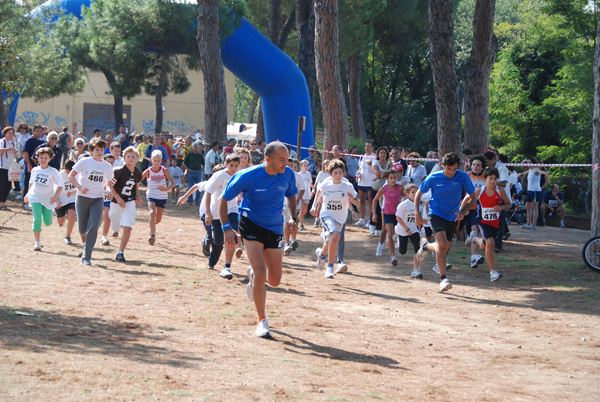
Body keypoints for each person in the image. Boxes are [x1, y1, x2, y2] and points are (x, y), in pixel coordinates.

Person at [218, 141, 298, 338]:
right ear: (268, 159)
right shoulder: (248, 175)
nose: (286, 163)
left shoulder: (287, 174)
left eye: (287, 159)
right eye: (282, 159)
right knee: (262, 272)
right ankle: (262, 320)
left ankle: (253, 276)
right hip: (251, 223)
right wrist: (227, 227)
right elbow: (223, 199)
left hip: (274, 227)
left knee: (275, 280)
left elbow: (291, 196)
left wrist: (293, 217)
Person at [415, 152, 476, 292]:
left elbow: (473, 198)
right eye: (449, 169)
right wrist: (418, 214)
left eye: (454, 169)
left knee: (444, 247)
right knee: (442, 245)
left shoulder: (462, 177)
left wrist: (463, 211)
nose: (451, 172)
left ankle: (425, 246)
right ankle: (443, 279)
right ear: (443, 166)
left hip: (453, 216)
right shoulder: (433, 177)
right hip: (436, 213)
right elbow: (419, 194)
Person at [460, 167, 512, 282]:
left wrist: (500, 207)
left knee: (487, 246)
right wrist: (462, 209)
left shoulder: (500, 191)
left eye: (495, 179)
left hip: (494, 222)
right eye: (490, 178)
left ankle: (474, 238)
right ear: (485, 179)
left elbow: (509, 205)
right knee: (490, 242)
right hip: (481, 221)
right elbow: (467, 197)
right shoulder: (480, 191)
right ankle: (492, 272)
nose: (492, 181)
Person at [69, 137, 114, 265]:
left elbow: (109, 182)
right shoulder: (84, 162)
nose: (100, 152)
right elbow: (71, 176)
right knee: (82, 228)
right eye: (97, 150)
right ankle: (84, 245)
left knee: (94, 225)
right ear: (91, 150)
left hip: (97, 199)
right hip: (82, 198)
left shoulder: (107, 166)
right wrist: (80, 187)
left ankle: (86, 257)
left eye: (102, 150)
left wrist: (109, 190)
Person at [311, 159, 358, 278]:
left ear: (344, 173)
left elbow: (357, 202)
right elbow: (318, 193)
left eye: (340, 173)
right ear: (331, 173)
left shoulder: (347, 185)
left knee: (331, 240)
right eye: (335, 173)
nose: (338, 175)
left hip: (340, 218)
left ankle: (321, 255)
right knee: (336, 235)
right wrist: (314, 206)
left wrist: (353, 200)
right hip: (326, 214)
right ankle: (330, 267)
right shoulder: (326, 183)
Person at [204, 153, 240, 277]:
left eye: (236, 166)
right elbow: (208, 193)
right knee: (218, 241)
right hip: (216, 211)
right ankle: (212, 259)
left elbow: (241, 192)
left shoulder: (239, 176)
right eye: (231, 165)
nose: (234, 168)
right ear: (226, 164)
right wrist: (208, 212)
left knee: (232, 239)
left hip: (232, 210)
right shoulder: (219, 175)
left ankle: (227, 267)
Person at [107, 146, 144, 262]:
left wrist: (137, 196)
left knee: (128, 227)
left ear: (137, 158)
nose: (131, 158)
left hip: (129, 201)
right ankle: (115, 230)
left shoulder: (138, 173)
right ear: (124, 158)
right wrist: (118, 198)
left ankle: (120, 252)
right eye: (128, 156)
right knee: (115, 226)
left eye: (133, 156)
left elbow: (136, 186)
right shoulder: (118, 171)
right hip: (116, 202)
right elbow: (109, 185)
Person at [24, 147, 64, 251]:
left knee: (47, 222)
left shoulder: (53, 171)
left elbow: (60, 185)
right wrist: (27, 194)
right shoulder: (35, 170)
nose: (43, 160)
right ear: (37, 158)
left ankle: (43, 217)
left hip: (48, 199)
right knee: (36, 219)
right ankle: (37, 242)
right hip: (35, 196)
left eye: (45, 158)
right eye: (41, 157)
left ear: (50, 158)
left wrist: (55, 197)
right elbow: (31, 182)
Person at [142, 150, 176, 245]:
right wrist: (136, 193)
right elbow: (137, 180)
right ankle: (152, 235)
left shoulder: (164, 170)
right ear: (151, 160)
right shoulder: (148, 171)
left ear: (161, 161)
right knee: (152, 213)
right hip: (151, 195)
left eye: (158, 161)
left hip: (162, 196)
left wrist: (167, 189)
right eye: (154, 160)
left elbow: (173, 183)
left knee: (158, 219)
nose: (156, 162)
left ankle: (151, 227)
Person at [372, 169, 404, 265]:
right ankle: (392, 256)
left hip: (397, 214)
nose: (393, 180)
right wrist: (374, 213)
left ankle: (382, 245)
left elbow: (406, 197)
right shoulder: (383, 189)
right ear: (387, 178)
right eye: (391, 178)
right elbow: (375, 200)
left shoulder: (400, 188)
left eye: (395, 178)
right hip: (387, 213)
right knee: (388, 233)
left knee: (388, 231)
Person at [395, 184, 423, 279]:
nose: (415, 194)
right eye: (413, 192)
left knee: (417, 248)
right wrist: (406, 229)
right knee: (402, 251)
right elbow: (398, 217)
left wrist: (421, 226)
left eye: (417, 192)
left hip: (414, 229)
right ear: (407, 194)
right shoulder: (404, 205)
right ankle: (397, 237)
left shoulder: (419, 204)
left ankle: (416, 270)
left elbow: (418, 217)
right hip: (403, 229)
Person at [464, 155, 487, 268]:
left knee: (475, 229)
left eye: (478, 165)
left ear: (482, 167)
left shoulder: (485, 178)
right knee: (454, 234)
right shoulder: (466, 176)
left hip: (478, 208)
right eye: (473, 165)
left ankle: (474, 256)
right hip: (464, 207)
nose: (475, 167)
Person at [283, 159, 306, 256]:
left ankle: (293, 240)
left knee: (293, 222)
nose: (293, 169)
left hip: (295, 204)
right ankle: (286, 243)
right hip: (283, 203)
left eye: (295, 167)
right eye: (291, 166)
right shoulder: (282, 176)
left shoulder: (298, 177)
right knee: (286, 222)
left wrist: (297, 200)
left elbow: (302, 189)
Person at [21, 124, 45, 211]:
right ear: (33, 131)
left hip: (40, 169)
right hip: (31, 167)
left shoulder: (42, 142)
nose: (39, 133)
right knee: (28, 185)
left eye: (40, 131)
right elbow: (25, 152)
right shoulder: (29, 140)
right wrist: (29, 164)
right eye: (37, 131)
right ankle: (25, 203)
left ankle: (35, 203)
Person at [518, 158, 546, 230]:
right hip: (530, 190)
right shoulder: (530, 170)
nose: (528, 164)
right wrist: (519, 174)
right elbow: (525, 172)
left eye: (529, 162)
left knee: (534, 207)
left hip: (535, 191)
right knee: (527, 207)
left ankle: (534, 224)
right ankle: (528, 223)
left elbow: (541, 172)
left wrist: (545, 173)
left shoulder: (536, 169)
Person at [354, 141, 376, 228]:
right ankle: (362, 220)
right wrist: (357, 173)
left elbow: (376, 169)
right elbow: (359, 168)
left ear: (372, 148)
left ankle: (370, 221)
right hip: (362, 182)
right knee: (362, 201)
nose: (367, 148)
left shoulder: (374, 157)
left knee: (371, 202)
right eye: (366, 146)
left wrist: (371, 165)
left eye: (369, 146)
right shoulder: (362, 156)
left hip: (370, 183)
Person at [56, 160, 77, 245]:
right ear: (65, 169)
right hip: (60, 200)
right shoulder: (59, 175)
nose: (70, 174)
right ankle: (61, 222)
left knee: (72, 215)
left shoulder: (77, 174)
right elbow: (54, 189)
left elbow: (81, 185)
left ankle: (68, 236)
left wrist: (73, 192)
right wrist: (56, 200)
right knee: (60, 221)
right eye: (68, 172)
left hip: (71, 199)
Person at [0, 126, 18, 211]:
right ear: (5, 133)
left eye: (12, 133)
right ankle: (1, 203)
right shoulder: (2, 141)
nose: (11, 134)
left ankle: (3, 203)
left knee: (8, 186)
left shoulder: (13, 143)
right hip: (2, 166)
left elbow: (14, 156)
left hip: (10, 168)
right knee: (2, 185)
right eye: (9, 133)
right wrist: (9, 149)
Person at [298, 160, 312, 230]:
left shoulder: (308, 174)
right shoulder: (299, 174)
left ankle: (298, 218)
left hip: (307, 194)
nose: (306, 167)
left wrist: (314, 188)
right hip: (301, 195)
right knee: (302, 209)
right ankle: (301, 224)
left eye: (307, 165)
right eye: (304, 165)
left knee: (305, 211)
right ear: (301, 166)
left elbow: (310, 183)